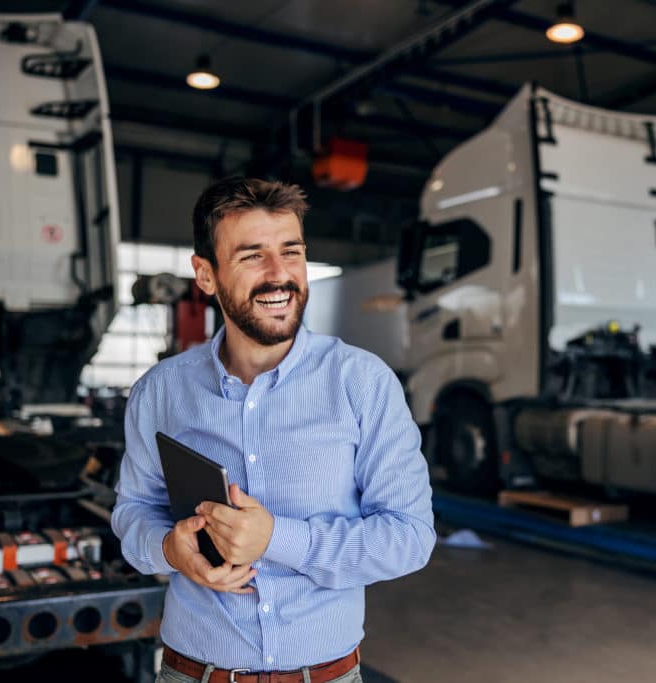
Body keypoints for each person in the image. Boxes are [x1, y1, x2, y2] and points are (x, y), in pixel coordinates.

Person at [112, 177, 436, 683]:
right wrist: (168, 548)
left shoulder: (362, 383)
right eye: (251, 256)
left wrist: (276, 539)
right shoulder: (161, 391)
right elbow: (132, 512)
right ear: (205, 275)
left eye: (291, 251)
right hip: (193, 672)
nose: (280, 275)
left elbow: (410, 538)